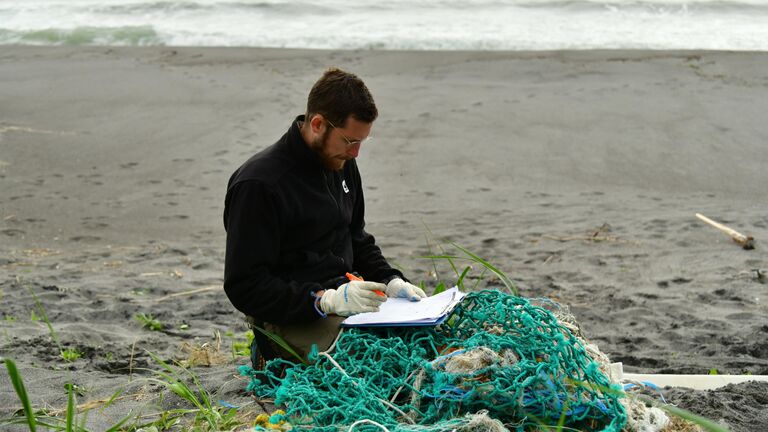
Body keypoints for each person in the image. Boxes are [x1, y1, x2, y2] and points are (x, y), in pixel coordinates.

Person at [223, 68, 426, 369]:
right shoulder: (259, 185)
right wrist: (323, 300)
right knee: (372, 363)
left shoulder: (341, 162)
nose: (355, 153)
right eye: (348, 141)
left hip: (347, 297)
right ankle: (268, 354)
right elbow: (245, 286)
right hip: (292, 315)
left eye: (361, 143)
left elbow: (355, 237)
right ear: (317, 124)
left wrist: (390, 280)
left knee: (419, 343)